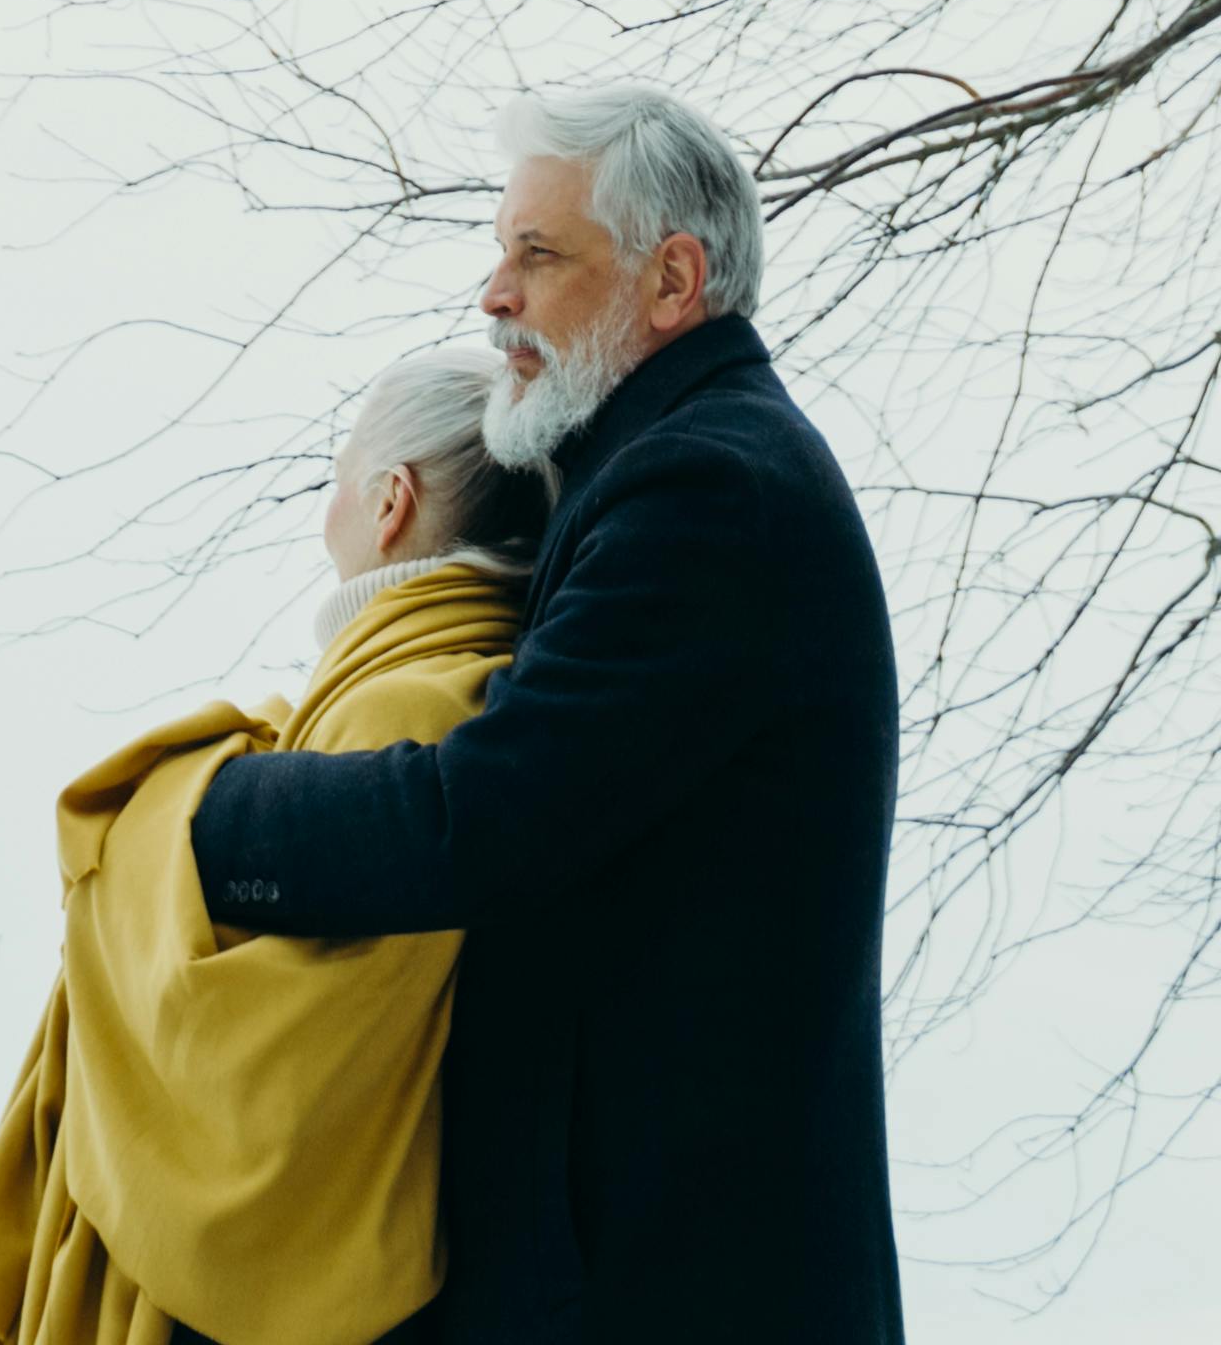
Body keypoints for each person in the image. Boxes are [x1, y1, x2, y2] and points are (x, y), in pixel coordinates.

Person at [193, 83, 904, 1345]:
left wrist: (207, 815)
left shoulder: (706, 492)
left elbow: (485, 815)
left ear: (671, 280)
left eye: (536, 254)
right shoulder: (668, 472)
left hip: (678, 1295)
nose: (492, 295)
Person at [0, 345, 537, 1345]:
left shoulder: (414, 702)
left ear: (390, 502)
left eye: (336, 478)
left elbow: (275, 1071)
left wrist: (155, 821)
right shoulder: (472, 688)